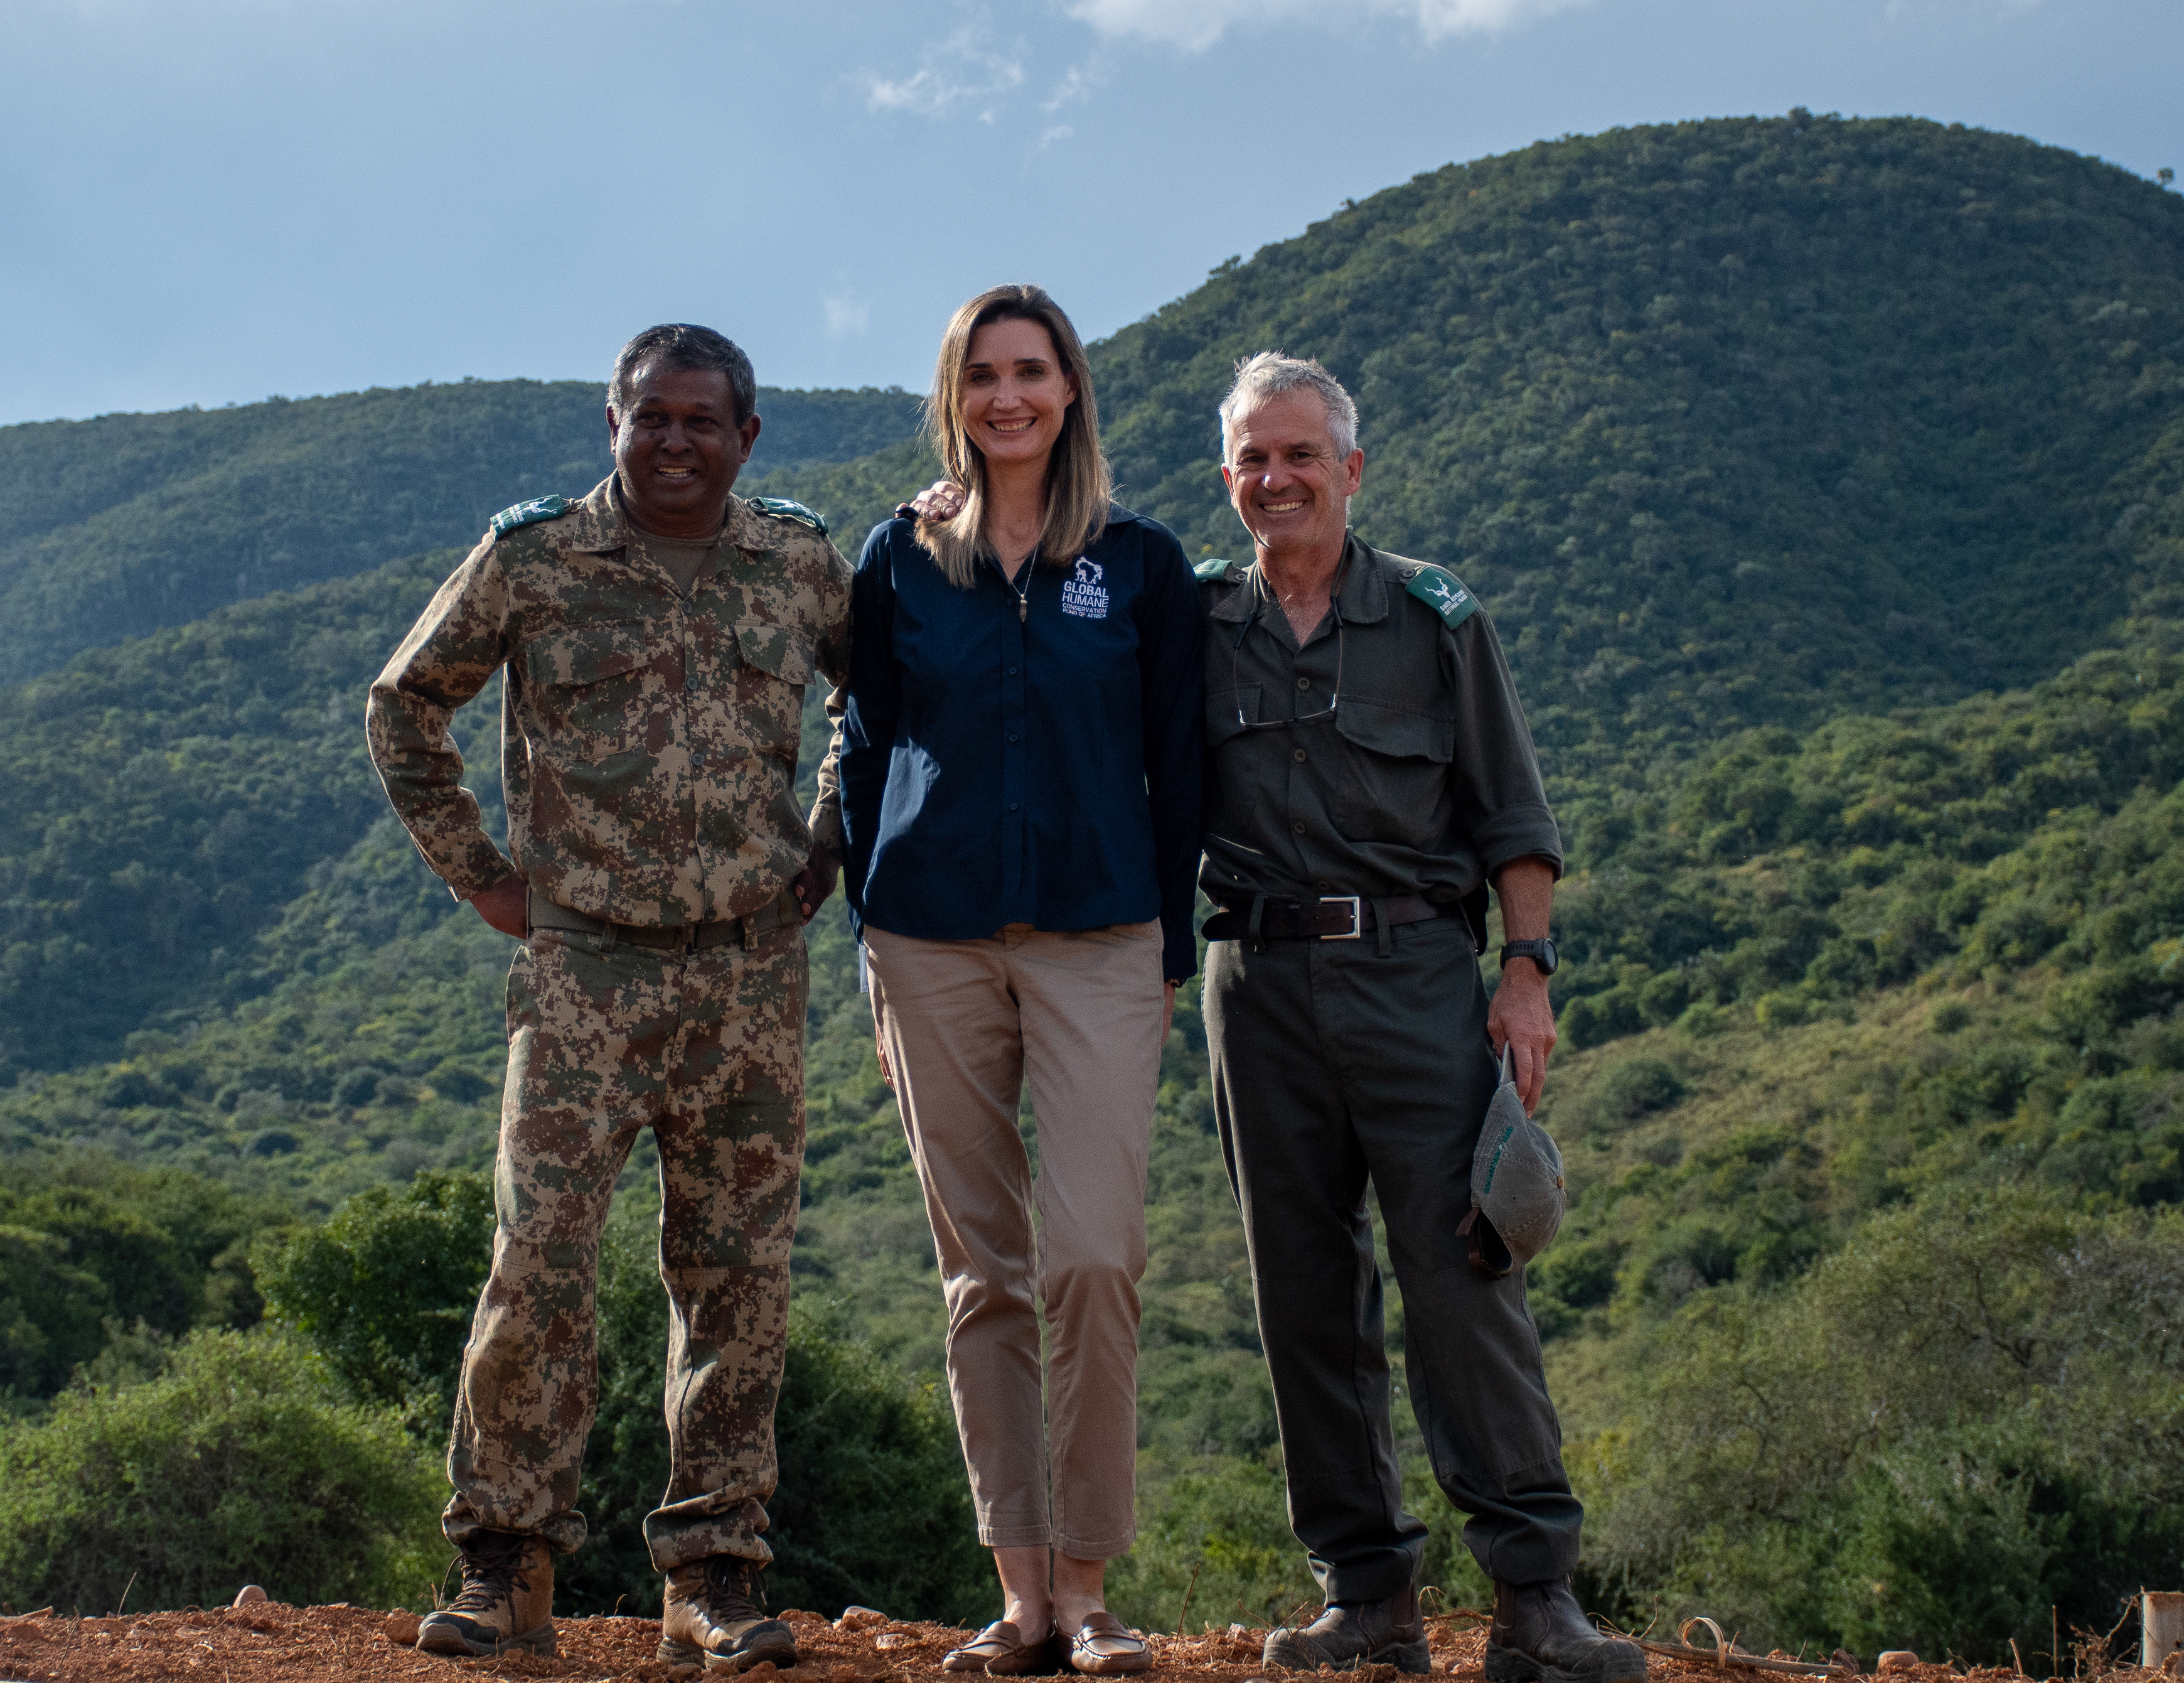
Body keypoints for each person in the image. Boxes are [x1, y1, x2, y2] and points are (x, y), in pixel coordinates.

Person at [365, 323, 850, 1672]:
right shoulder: (534, 559)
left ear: (747, 436)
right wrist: (480, 875)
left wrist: (828, 843)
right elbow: (404, 707)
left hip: (749, 973)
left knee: (737, 1278)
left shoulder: (799, 562)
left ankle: (713, 1575)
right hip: (582, 972)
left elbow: (883, 710)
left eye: (702, 420)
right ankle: (504, 1564)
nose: (675, 441)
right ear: (613, 421)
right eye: (652, 417)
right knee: (539, 1263)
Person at [1192, 352, 1642, 1682]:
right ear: (1227, 477)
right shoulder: (1194, 621)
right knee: (1301, 1292)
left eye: (1300, 455)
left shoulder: (1436, 618)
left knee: (1465, 1275)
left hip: (1415, 977)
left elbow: (1513, 811)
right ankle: (1366, 1600)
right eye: (1252, 458)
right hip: (1255, 985)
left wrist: (1526, 974)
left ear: (1351, 468)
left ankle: (1535, 1600)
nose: (1276, 478)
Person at [827, 285, 1204, 1678]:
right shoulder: (901, 553)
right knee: (979, 1274)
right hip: (926, 941)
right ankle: (1024, 1598)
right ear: (953, 396)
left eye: (1030, 371)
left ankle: (1093, 1586)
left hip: (1103, 938)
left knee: (1095, 1256)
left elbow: (1181, 765)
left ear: (1070, 389)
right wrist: (867, 930)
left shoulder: (1141, 561)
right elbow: (865, 742)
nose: (1007, 396)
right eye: (981, 374)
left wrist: (1170, 948)